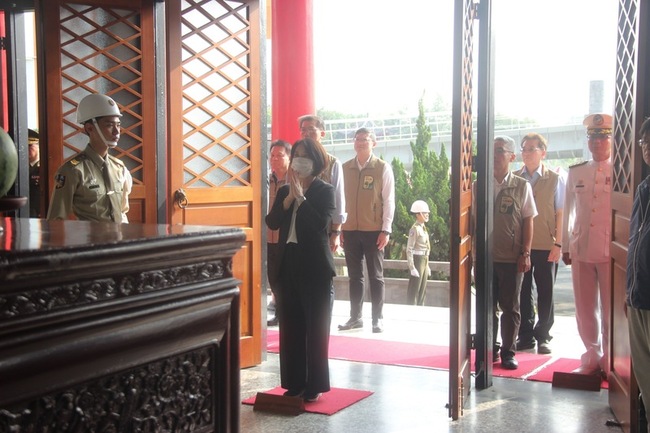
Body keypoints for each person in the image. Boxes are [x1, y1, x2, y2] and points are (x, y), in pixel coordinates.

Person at [265, 137, 336, 402]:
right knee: (291, 327)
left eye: (305, 155)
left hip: (315, 267)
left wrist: (302, 199)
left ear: (316, 161)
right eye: (297, 155)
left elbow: (320, 225)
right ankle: (293, 382)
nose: (299, 160)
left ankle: (314, 384)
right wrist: (288, 200)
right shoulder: (284, 191)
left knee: (315, 328)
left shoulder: (325, 190)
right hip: (288, 264)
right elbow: (271, 222)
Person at [562, 113, 613, 376]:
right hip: (581, 246)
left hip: (610, 251)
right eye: (593, 138)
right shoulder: (577, 171)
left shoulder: (621, 171)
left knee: (610, 308)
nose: (597, 143)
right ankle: (592, 355)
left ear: (612, 140)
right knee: (584, 307)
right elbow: (568, 210)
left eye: (603, 138)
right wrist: (565, 246)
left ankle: (610, 359)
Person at [482, 136, 537, 370]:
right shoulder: (479, 184)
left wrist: (525, 252)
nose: (493, 155)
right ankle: (488, 348)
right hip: (485, 258)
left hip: (511, 258)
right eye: (491, 150)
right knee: (486, 308)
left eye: (499, 151)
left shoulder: (521, 185)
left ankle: (508, 351)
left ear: (511, 157)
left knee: (511, 308)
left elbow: (528, 220)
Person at [338, 127, 395, 333]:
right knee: (355, 276)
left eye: (365, 139)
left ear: (374, 143)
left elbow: (389, 201)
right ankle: (355, 317)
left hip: (374, 231)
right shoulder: (345, 168)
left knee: (376, 276)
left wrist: (386, 230)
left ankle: (377, 318)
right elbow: (339, 200)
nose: (361, 142)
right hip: (350, 229)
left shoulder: (382, 168)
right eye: (358, 139)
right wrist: (339, 228)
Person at [514, 133, 565, 355]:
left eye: (531, 149)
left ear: (543, 152)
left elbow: (561, 213)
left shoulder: (555, 178)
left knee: (546, 291)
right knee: (522, 292)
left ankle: (543, 335)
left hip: (546, 244)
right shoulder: (515, 178)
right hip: (521, 246)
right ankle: (525, 336)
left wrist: (559, 244)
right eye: (524, 148)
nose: (526, 153)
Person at [47, 94, 132, 223]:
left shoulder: (119, 168)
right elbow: (56, 220)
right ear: (90, 128)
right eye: (109, 125)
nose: (116, 131)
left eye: (118, 125)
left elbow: (123, 211)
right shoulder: (73, 170)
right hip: (92, 241)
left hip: (121, 240)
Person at [627, 117, 650, 430]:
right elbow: (633, 242)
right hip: (639, 295)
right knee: (645, 378)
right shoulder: (644, 188)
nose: (648, 148)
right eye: (646, 142)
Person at [298, 114, 347, 251]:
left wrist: (336, 232)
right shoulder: (295, 161)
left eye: (311, 129)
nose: (306, 133)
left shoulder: (332, 163)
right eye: (303, 129)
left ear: (322, 133)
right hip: (298, 226)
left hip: (323, 227)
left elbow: (339, 199)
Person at [266, 140, 291, 327]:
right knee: (272, 277)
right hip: (268, 236)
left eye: (280, 155)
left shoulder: (294, 181)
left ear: (289, 157)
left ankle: (286, 313)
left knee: (286, 277)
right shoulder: (267, 180)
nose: (275, 159)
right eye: (272, 155)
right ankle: (280, 312)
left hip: (287, 238)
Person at [406, 199, 431, 306]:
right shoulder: (414, 229)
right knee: (414, 289)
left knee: (422, 289)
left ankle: (421, 310)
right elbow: (409, 249)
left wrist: (427, 265)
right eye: (425, 213)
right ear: (418, 214)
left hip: (424, 260)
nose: (427, 215)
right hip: (417, 260)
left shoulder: (423, 228)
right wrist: (411, 267)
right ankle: (411, 311)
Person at [28, 129, 42, 218]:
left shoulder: (44, 167)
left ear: (38, 146)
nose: (26, 148)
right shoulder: (18, 166)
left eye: (30, 146)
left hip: (39, 214)